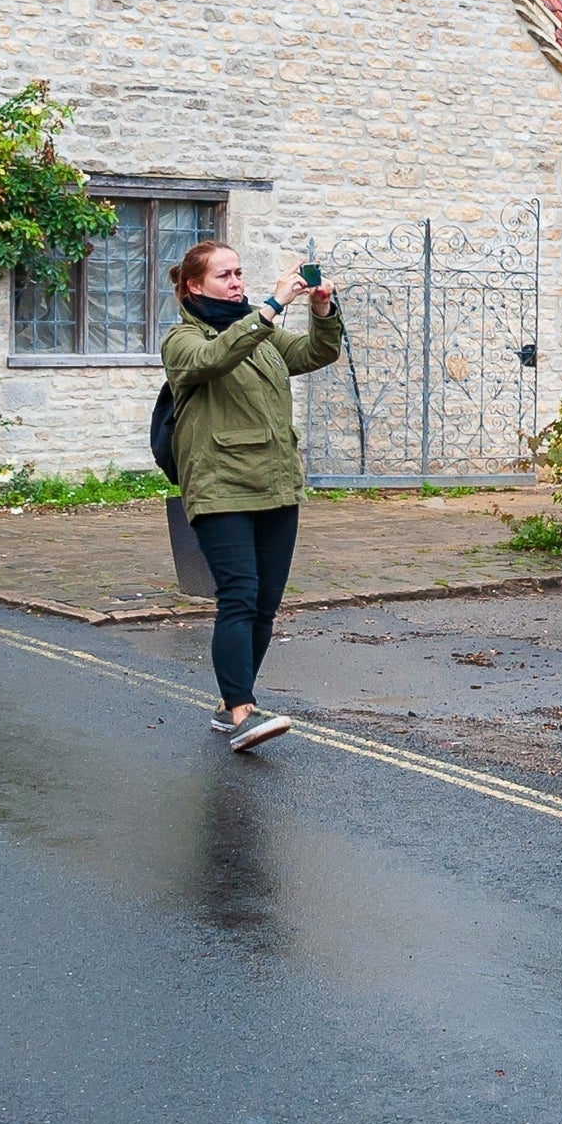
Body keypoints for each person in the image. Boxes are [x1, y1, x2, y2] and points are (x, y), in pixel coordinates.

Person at [161, 238, 344, 750]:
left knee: (264, 604)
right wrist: (271, 306)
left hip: (275, 482)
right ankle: (242, 709)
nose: (237, 282)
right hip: (220, 487)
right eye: (225, 276)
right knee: (238, 597)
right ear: (195, 286)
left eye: (239, 272)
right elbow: (215, 358)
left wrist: (321, 309)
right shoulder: (181, 339)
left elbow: (316, 352)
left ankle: (229, 704)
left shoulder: (260, 334)